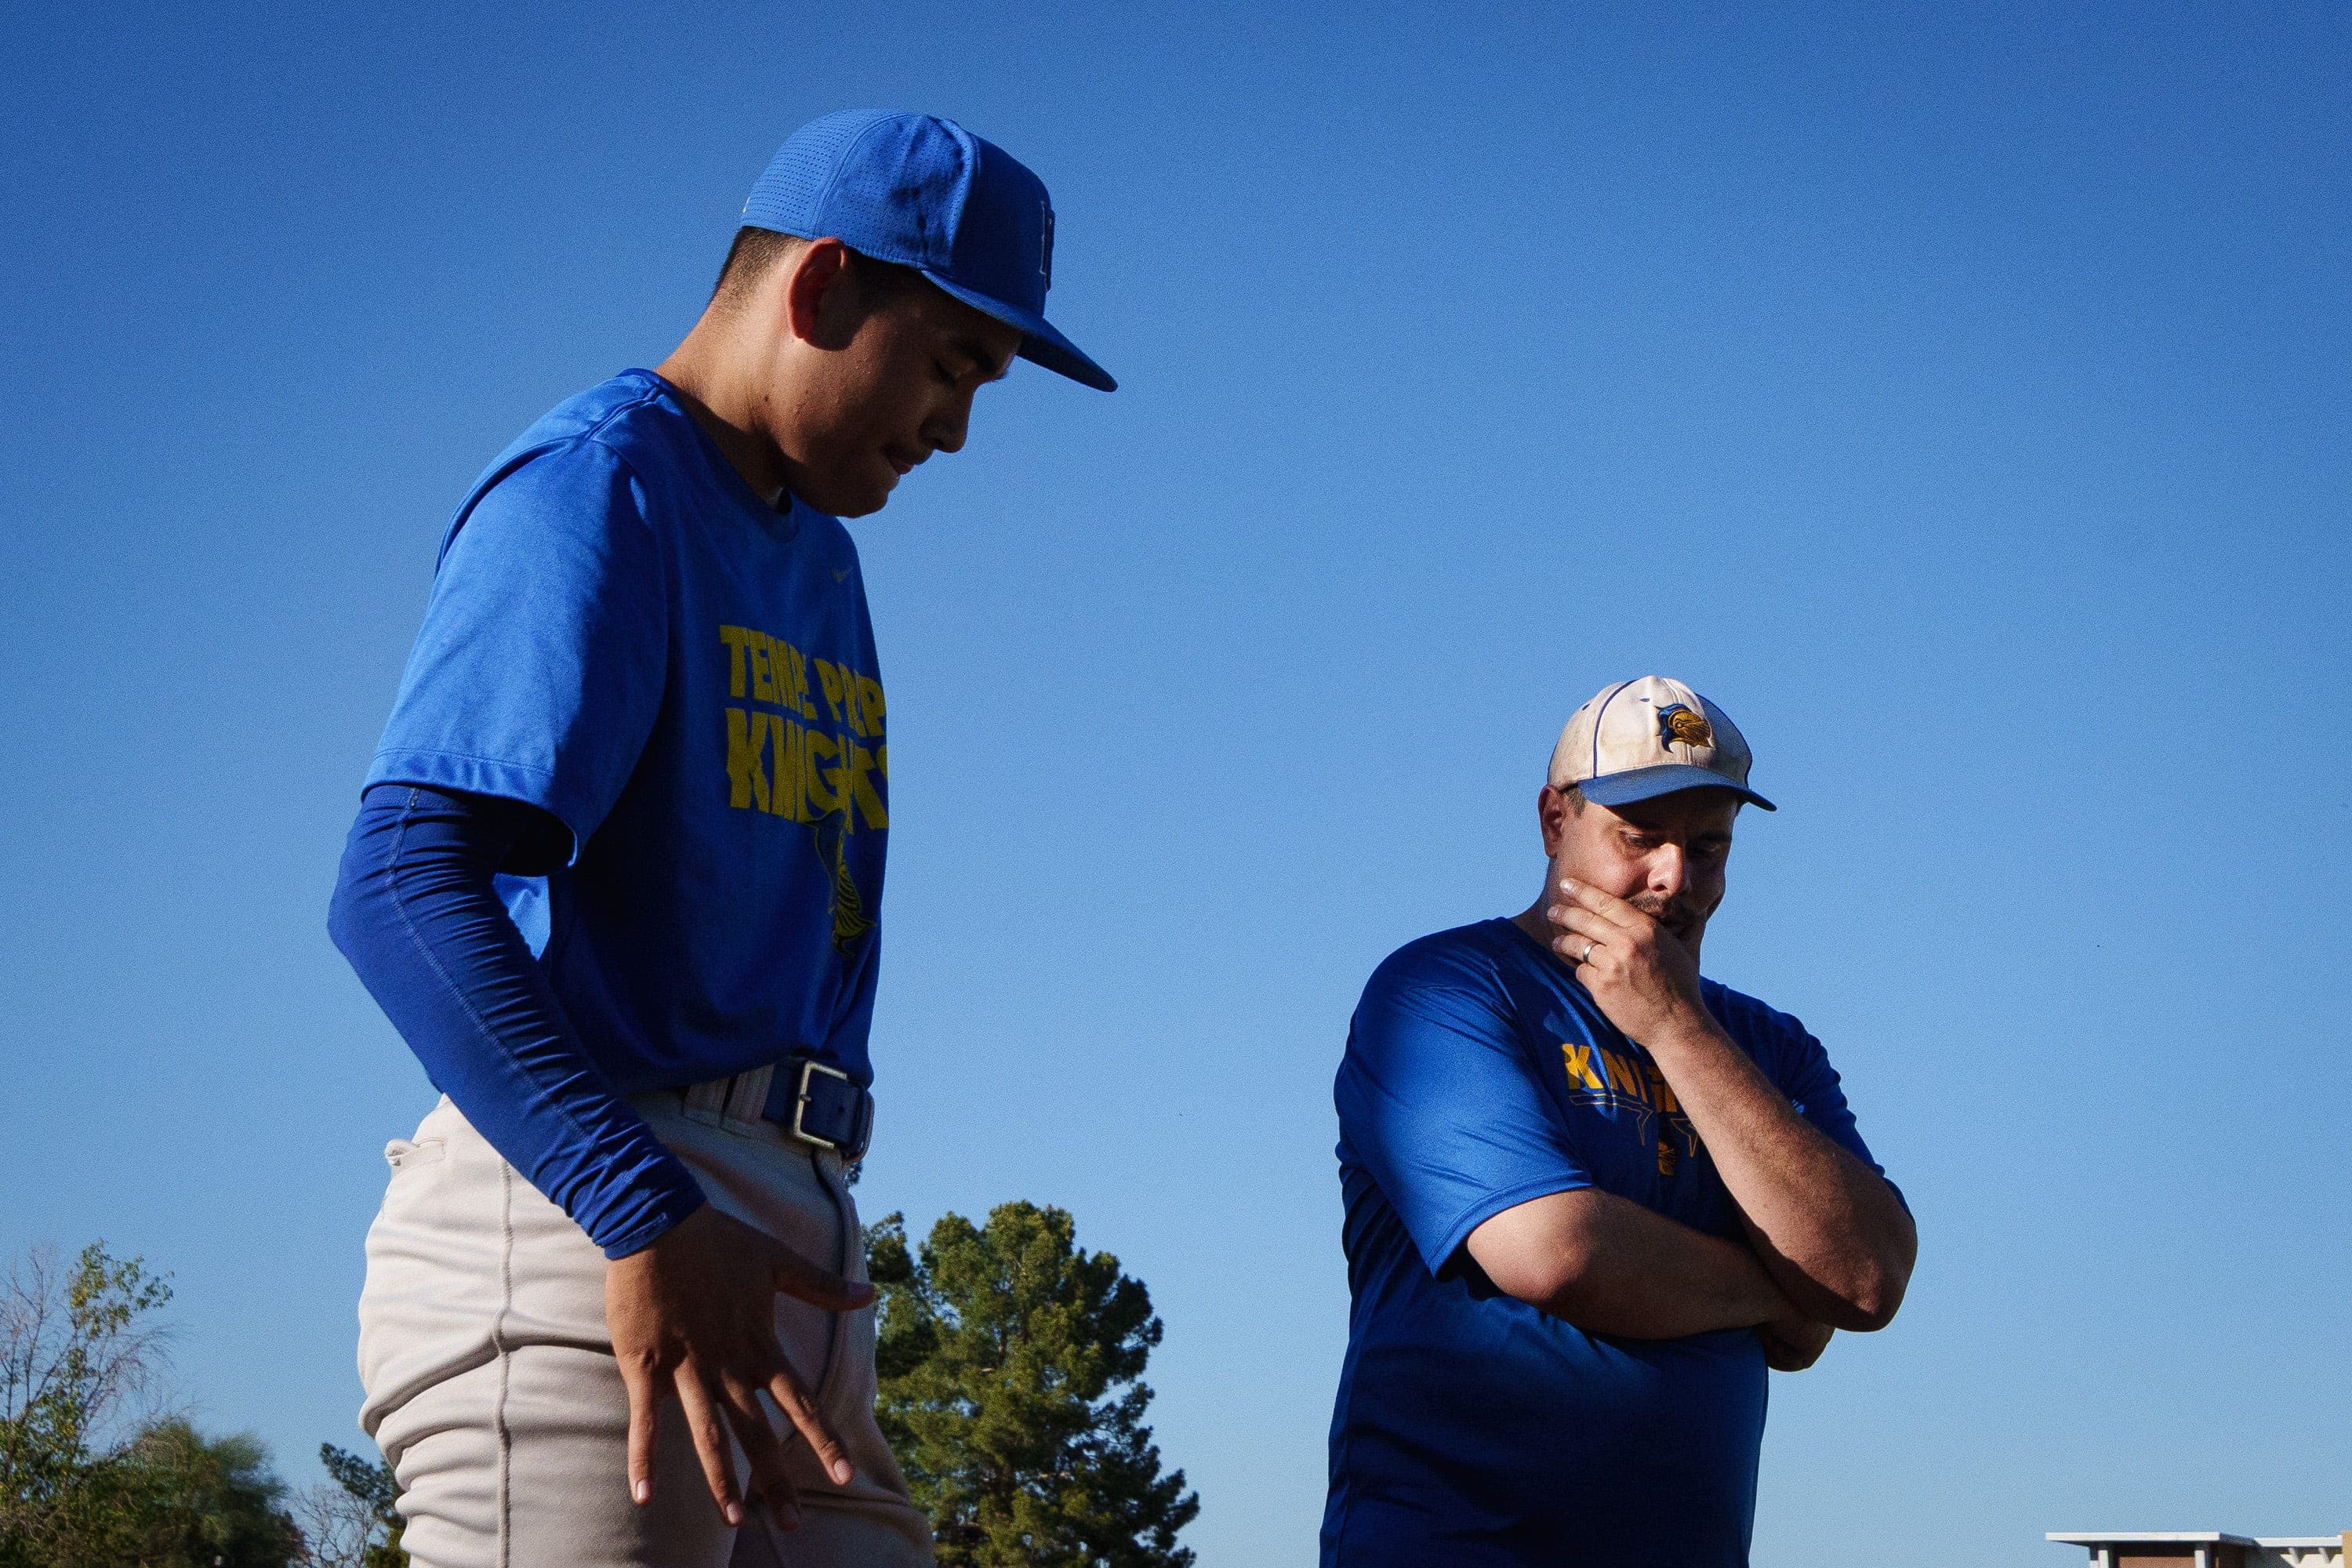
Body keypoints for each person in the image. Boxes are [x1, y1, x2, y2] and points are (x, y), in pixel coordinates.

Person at [328, 110, 1114, 1568]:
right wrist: (641, 1211)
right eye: (951, 364)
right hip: (590, 1223)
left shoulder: (821, 553)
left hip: (789, 1241)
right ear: (819, 290)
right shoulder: (603, 484)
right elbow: (397, 883)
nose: (956, 426)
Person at [1321, 676, 1918, 1567]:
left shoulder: (1771, 1047)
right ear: (1555, 820)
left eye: (1708, 847)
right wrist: (1778, 1288)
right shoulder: (1444, 989)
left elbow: (1866, 1277)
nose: (1674, 876)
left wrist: (1677, 1026)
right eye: (1639, 837)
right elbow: (1554, 1250)